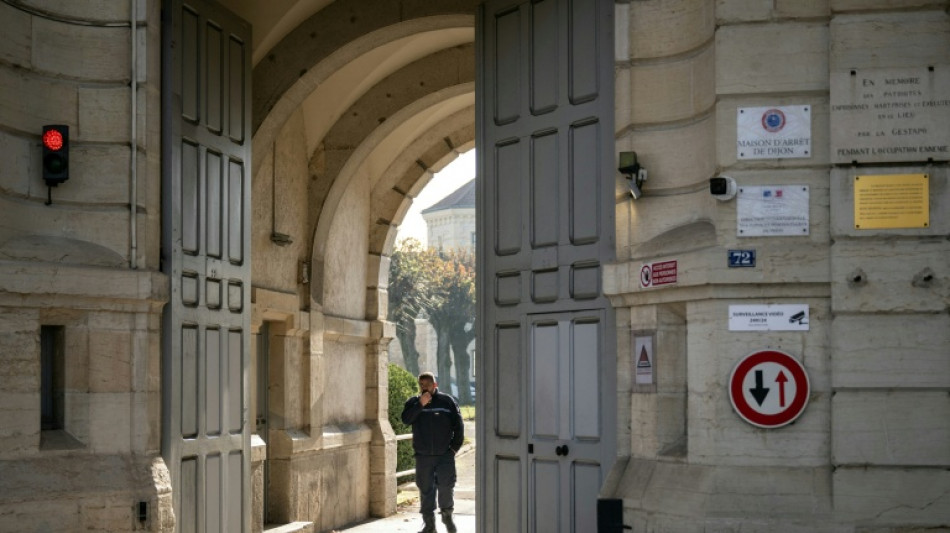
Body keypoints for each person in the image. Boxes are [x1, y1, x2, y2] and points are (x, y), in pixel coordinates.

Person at [401, 372, 464, 533]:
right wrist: (420, 405)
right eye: (421, 385)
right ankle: (429, 525)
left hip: (445, 456)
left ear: (434, 385)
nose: (424, 388)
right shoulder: (414, 402)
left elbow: (459, 426)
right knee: (426, 489)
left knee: (446, 487)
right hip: (423, 457)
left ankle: (447, 518)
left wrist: (453, 449)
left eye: (427, 385)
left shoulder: (447, 401)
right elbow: (406, 420)